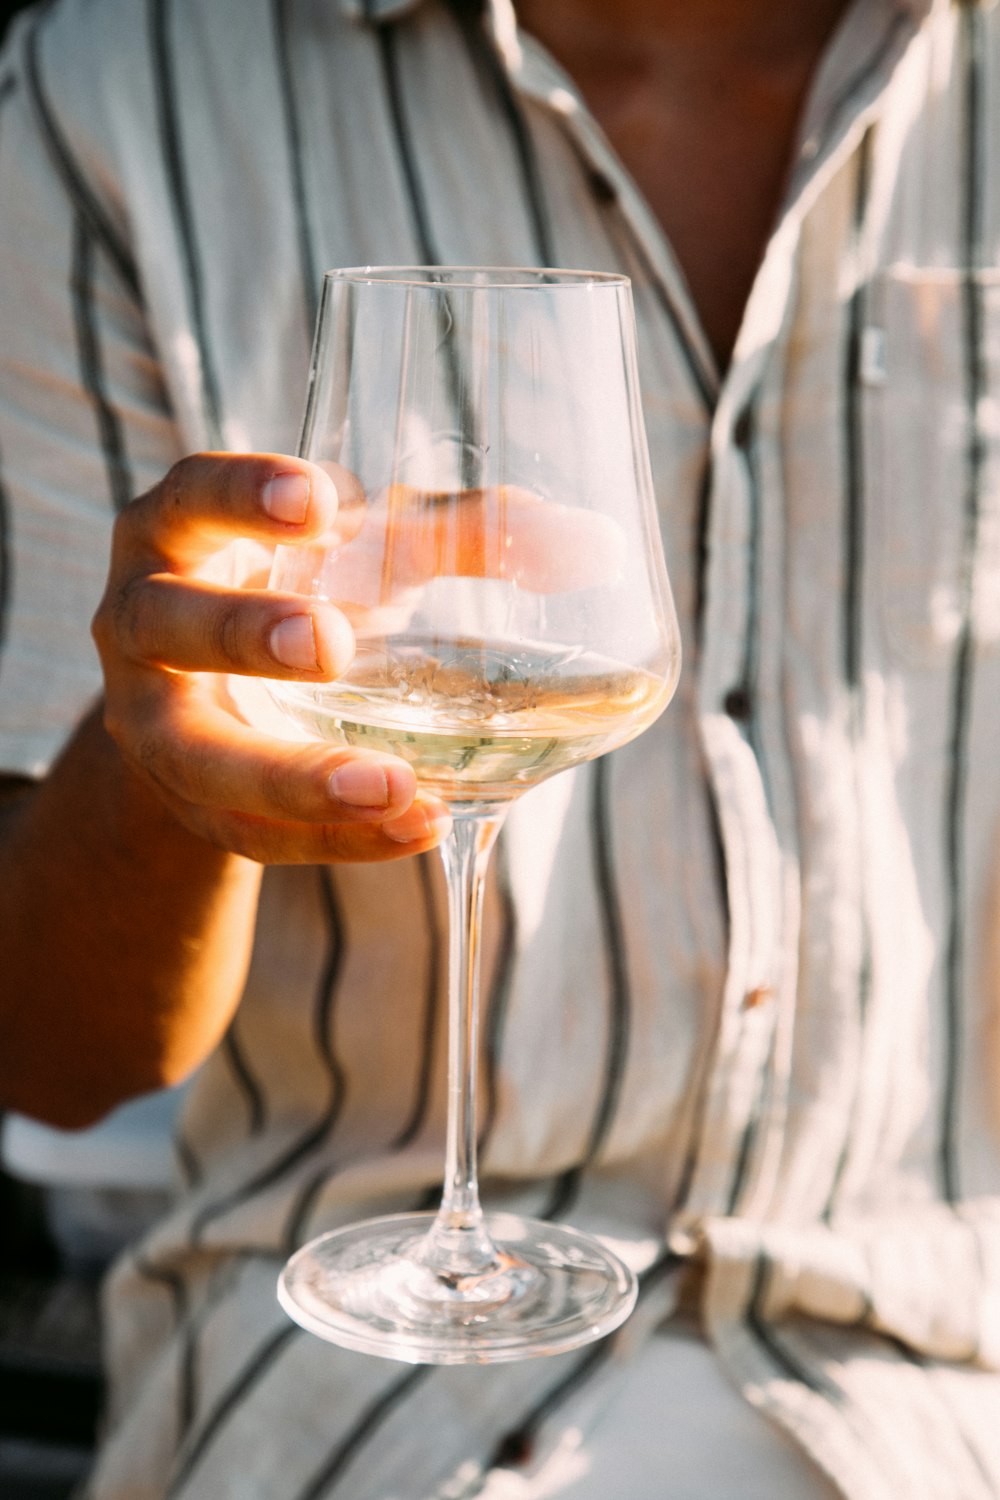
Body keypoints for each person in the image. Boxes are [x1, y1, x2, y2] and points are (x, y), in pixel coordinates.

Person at [1, 0, 999, 1495]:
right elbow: (56, 1056)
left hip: (939, 1370)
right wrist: (155, 776)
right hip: (342, 1394)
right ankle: (463, 1228)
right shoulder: (118, 87)